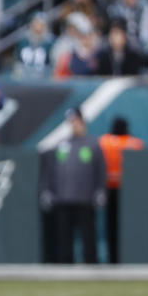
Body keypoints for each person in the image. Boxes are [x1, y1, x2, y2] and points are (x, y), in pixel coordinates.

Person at [39, 107, 106, 264]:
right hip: (63, 198)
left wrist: (100, 191)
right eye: (71, 122)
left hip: (85, 199)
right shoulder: (62, 145)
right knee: (63, 236)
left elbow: (100, 170)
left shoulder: (93, 145)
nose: (74, 125)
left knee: (88, 235)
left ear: (83, 123)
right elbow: (50, 169)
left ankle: (91, 263)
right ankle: (65, 264)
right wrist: (47, 190)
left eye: (76, 121)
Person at [98, 117, 144, 264]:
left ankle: (113, 259)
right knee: (129, 227)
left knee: (111, 227)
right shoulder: (134, 143)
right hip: (128, 191)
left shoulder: (104, 142)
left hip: (109, 189)